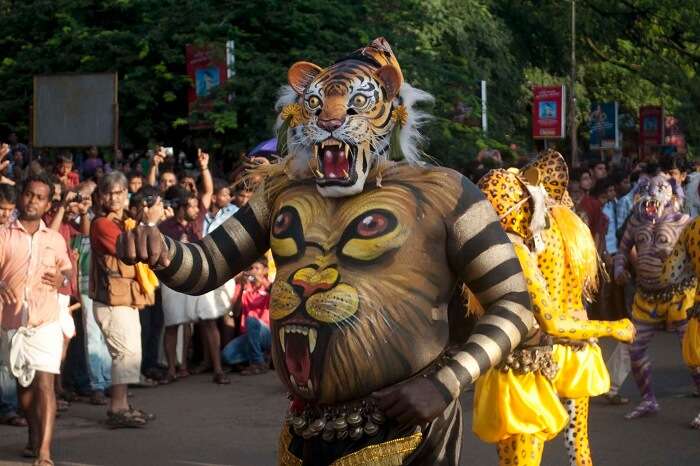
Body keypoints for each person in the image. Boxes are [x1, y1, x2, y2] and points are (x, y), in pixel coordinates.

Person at [118, 38, 535, 465]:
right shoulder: (281, 190)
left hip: (409, 433)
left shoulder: (445, 191)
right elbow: (204, 267)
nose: (333, 119)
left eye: (355, 104)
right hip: (305, 433)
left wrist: (445, 383)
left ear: (391, 110)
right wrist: (162, 250)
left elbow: (516, 306)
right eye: (318, 105)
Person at [0, 173, 72, 465]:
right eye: (29, 194)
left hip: (46, 322)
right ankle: (32, 435)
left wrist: (60, 278)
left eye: (40, 197)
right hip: (13, 324)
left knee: (45, 384)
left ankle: (44, 450)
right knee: (24, 388)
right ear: (21, 196)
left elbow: (67, 274)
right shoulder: (4, 235)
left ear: (48, 205)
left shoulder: (55, 239)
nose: (33, 201)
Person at [89, 172, 155, 428]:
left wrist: (141, 221)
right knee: (124, 354)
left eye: (119, 192)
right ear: (101, 196)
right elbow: (129, 249)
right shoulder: (102, 224)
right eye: (109, 192)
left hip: (125, 298)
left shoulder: (122, 221)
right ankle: (117, 407)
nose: (114, 197)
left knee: (130, 353)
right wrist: (146, 224)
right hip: (111, 301)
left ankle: (123, 404)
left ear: (126, 193)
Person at [0, 183, 24, 428]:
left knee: (6, 357)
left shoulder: (17, 230)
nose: (4, 214)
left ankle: (8, 406)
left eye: (8, 209)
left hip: (9, 303)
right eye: (1, 209)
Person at [221, 259, 271, 375]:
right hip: (248, 334)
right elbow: (236, 312)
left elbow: (279, 300)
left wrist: (263, 282)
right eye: (251, 268)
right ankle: (262, 356)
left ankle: (257, 363)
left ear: (265, 271)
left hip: (267, 333)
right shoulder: (243, 286)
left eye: (257, 268)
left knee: (251, 321)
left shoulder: (270, 285)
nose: (253, 271)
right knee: (226, 356)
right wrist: (242, 288)